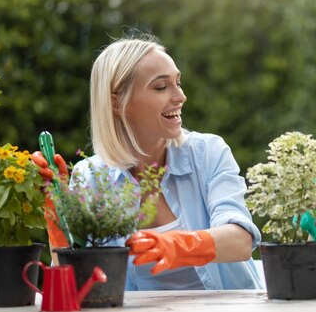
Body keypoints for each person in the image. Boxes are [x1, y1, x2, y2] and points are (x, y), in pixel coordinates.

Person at [32, 35, 262, 290]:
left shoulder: (207, 153)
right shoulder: (90, 176)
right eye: (161, 87)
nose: (180, 96)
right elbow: (73, 285)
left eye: (178, 83)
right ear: (117, 102)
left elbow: (241, 240)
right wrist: (58, 222)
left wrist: (178, 245)